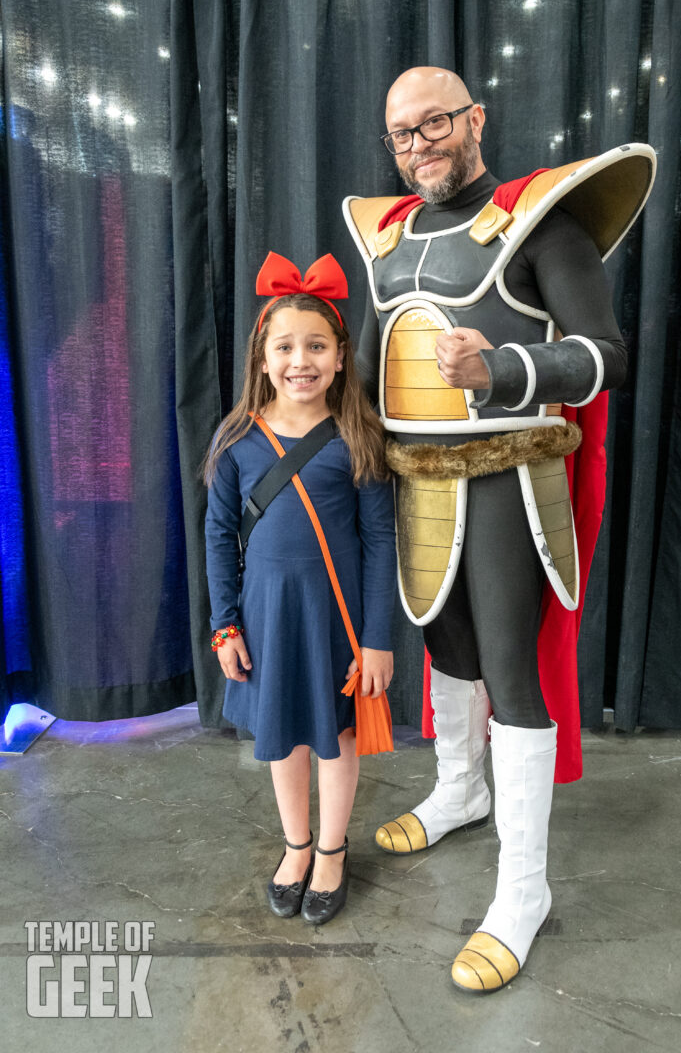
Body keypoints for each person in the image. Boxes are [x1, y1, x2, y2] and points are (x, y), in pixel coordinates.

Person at [343, 66, 655, 991]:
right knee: (448, 648)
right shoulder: (388, 241)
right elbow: (370, 367)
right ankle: (459, 789)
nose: (417, 145)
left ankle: (524, 890)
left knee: (515, 677)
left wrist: (504, 367)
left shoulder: (540, 224)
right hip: (418, 482)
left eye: (433, 123)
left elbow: (605, 355)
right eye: (400, 134)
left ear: (474, 119)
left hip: (513, 483)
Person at [203, 251, 395, 926]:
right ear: (263, 359)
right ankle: (297, 845)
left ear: (341, 356)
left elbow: (381, 543)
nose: (300, 360)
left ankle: (334, 851)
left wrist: (376, 641)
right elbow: (218, 537)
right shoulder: (237, 439)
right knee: (283, 737)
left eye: (316, 345)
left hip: (334, 623)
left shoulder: (358, 437)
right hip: (263, 621)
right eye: (285, 346)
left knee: (335, 738)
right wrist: (225, 625)